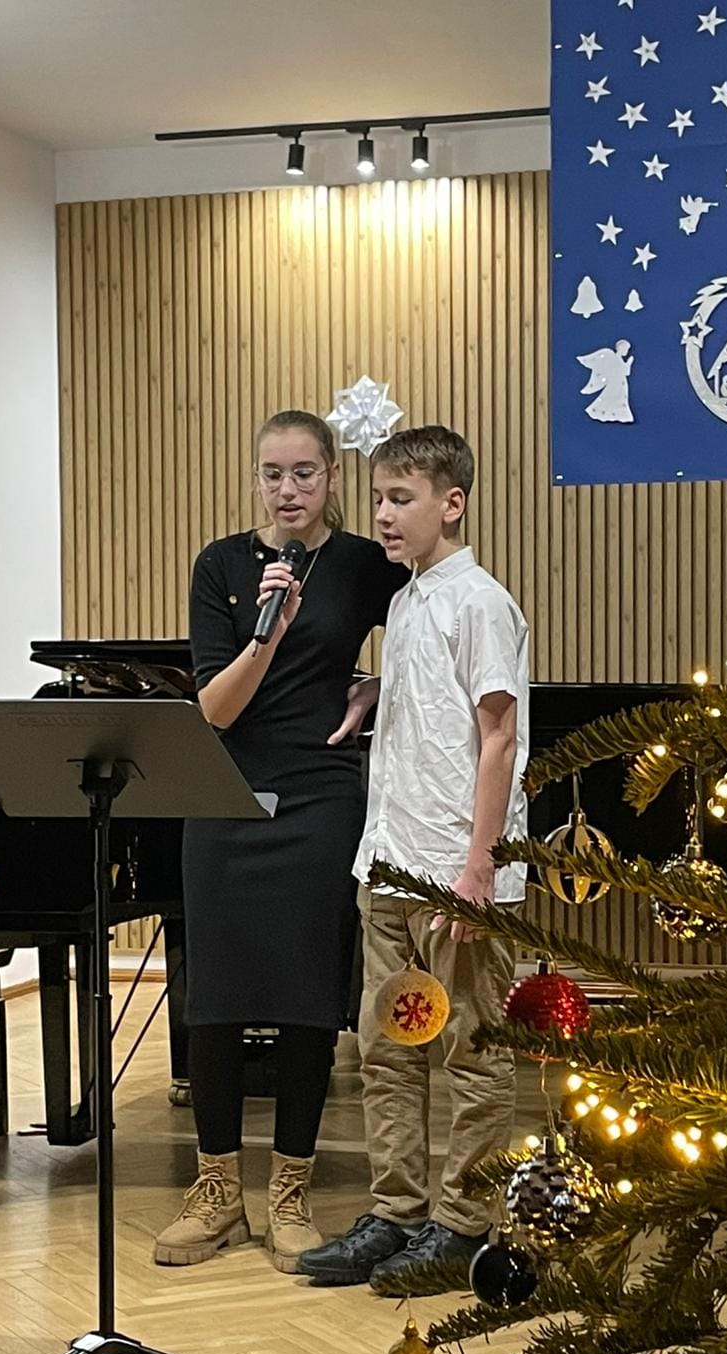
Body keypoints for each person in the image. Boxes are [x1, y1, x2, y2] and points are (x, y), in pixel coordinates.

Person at [154, 410, 408, 1273]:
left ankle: (290, 1193)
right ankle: (217, 1193)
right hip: (224, 790)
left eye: (304, 473)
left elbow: (430, 628)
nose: (288, 490)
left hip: (321, 795)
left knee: (307, 998)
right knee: (215, 999)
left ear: (332, 476)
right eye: (273, 474)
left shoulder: (364, 564)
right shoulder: (222, 566)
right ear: (256, 479)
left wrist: (377, 684)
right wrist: (270, 628)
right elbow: (214, 709)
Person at [298, 425, 529, 1287]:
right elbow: (432, 702)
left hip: (456, 871)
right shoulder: (405, 602)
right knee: (387, 1053)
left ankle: (464, 1224)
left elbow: (498, 739)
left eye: (402, 498)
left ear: (451, 502)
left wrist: (478, 870)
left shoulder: (482, 603)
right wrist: (378, 688)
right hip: (390, 862)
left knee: (470, 1053)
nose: (384, 516)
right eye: (379, 500)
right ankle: (396, 1212)